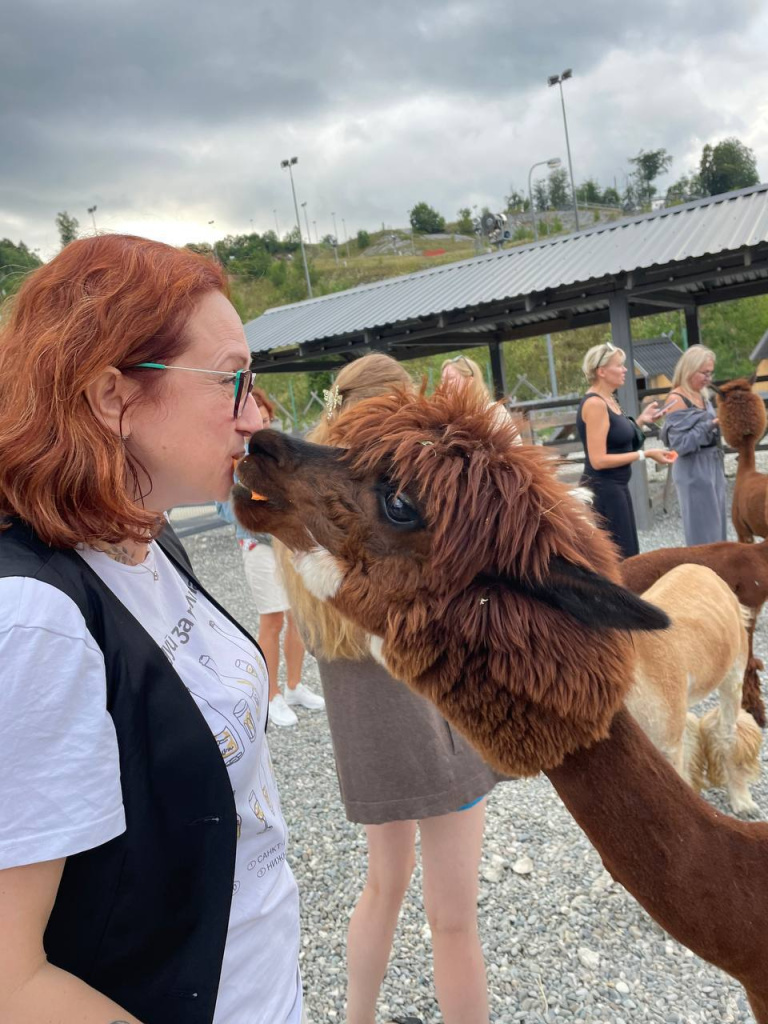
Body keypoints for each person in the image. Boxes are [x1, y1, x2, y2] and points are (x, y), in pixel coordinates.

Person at [0, 235, 301, 1024]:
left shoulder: (146, 539)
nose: (256, 414)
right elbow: (10, 980)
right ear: (112, 398)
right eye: (233, 379)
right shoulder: (38, 619)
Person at [279, 353, 502, 1024]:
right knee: (454, 919)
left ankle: (359, 1019)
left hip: (366, 728)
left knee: (385, 883)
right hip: (433, 720)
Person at [216, 387, 322, 728]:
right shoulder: (234, 458)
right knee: (272, 620)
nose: (260, 425)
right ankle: (271, 694)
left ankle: (293, 686)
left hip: (288, 544)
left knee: (298, 617)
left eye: (265, 418)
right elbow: (224, 507)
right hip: (259, 545)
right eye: (255, 419)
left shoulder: (279, 454)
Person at [576, 341, 675, 558]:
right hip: (603, 490)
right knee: (620, 557)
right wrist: (645, 454)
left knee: (629, 553)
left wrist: (640, 421)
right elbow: (598, 460)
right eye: (619, 365)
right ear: (601, 371)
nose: (625, 370)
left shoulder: (609, 399)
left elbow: (615, 440)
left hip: (617, 487)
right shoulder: (595, 404)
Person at [661, 345, 727, 545]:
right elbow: (679, 445)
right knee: (703, 533)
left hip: (712, 464)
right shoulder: (676, 399)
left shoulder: (702, 396)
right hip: (693, 469)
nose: (709, 378)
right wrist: (710, 424)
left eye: (710, 373)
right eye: (704, 373)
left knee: (717, 529)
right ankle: (701, 572)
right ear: (689, 370)